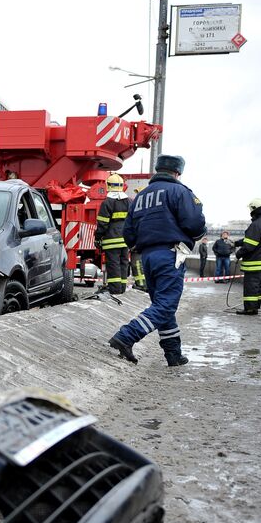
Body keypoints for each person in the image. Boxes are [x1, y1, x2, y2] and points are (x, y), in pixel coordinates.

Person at [108, 153, 206, 367]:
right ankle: (126, 336)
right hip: (170, 254)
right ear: (177, 172)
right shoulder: (180, 192)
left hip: (148, 257)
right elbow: (196, 224)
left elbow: (128, 233)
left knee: (162, 305)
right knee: (166, 305)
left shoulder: (141, 197)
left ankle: (173, 354)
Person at [233, 198, 261, 315]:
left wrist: (238, 254)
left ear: (254, 209)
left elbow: (250, 245)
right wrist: (237, 243)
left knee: (251, 286)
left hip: (254, 262)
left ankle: (250, 309)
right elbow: (256, 240)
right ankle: (255, 307)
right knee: (258, 287)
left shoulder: (256, 224)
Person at [95, 172, 130, 294]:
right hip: (126, 240)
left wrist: (98, 238)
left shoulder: (107, 202)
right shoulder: (129, 201)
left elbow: (102, 223)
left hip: (111, 240)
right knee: (124, 263)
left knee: (113, 264)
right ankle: (122, 288)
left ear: (108, 185)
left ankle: (115, 289)